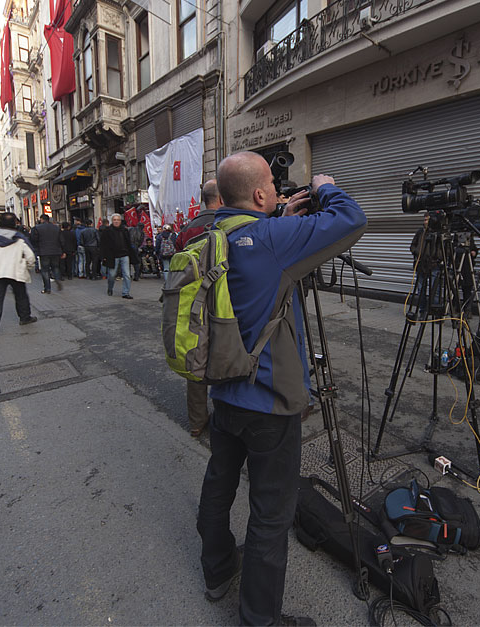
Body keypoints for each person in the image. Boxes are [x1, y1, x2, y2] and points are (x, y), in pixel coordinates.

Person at [196, 151, 366, 626]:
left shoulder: (209, 234)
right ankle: (260, 620)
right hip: (269, 401)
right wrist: (326, 187)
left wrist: (278, 217)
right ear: (258, 194)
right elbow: (352, 219)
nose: (277, 187)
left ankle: (217, 571)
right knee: (271, 515)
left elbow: (251, 246)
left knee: (219, 482)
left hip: (223, 390)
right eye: (271, 182)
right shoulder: (272, 239)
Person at [175, 179, 222, 437]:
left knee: (196, 359)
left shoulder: (187, 228)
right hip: (222, 301)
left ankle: (197, 422)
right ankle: (224, 419)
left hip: (192, 304)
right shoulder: (224, 223)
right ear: (221, 198)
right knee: (222, 357)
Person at [0, 212, 38, 337]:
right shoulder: (19, 237)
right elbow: (31, 255)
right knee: (21, 294)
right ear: (15, 222)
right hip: (15, 270)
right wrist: (28, 266)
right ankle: (25, 317)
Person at [99, 213, 135, 298]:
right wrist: (103, 256)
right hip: (113, 256)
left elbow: (128, 242)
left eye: (118, 220)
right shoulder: (107, 231)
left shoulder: (124, 230)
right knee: (112, 275)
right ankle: (110, 288)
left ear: (120, 221)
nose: (116, 222)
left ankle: (125, 293)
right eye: (114, 220)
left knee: (126, 274)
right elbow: (103, 245)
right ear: (112, 221)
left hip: (124, 255)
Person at [30, 214, 64, 293]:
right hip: (55, 251)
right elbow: (62, 240)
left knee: (45, 270)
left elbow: (34, 240)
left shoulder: (37, 228)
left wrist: (36, 249)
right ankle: (57, 279)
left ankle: (47, 288)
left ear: (42, 219)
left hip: (43, 251)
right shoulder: (56, 228)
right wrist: (62, 250)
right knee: (55, 267)